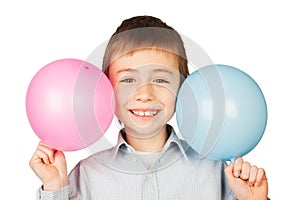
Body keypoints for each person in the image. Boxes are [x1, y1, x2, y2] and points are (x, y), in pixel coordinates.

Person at [30, 15, 268, 199]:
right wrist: (54, 187)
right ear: (104, 87)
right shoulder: (84, 176)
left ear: (184, 88)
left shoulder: (217, 172)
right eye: (128, 80)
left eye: (161, 79)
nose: (144, 94)